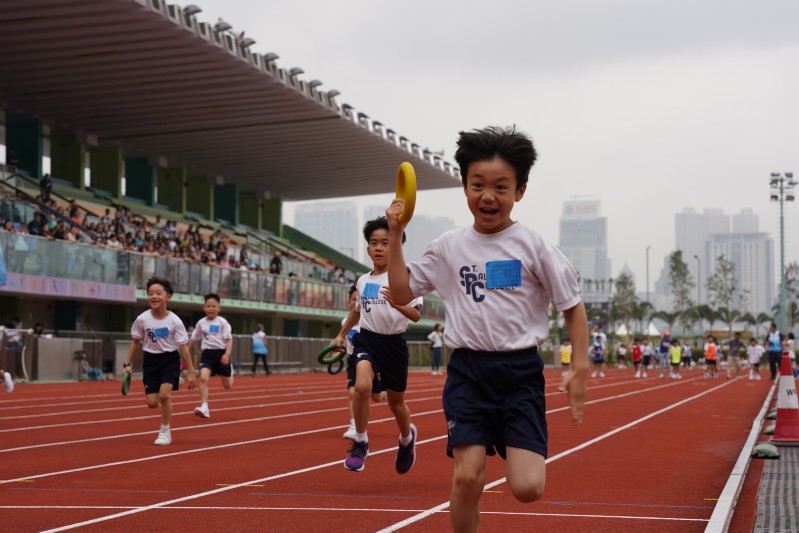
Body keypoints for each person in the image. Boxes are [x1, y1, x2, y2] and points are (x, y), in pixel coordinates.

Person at [385, 126, 588, 532]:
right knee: (467, 477)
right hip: (469, 375)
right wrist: (394, 233)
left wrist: (579, 365)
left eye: (500, 186)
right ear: (464, 187)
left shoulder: (534, 246)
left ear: (520, 191)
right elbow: (402, 289)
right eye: (478, 184)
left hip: (520, 376)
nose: (488, 196)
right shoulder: (447, 247)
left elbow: (572, 306)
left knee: (528, 487)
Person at [332, 215, 423, 473]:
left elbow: (416, 315)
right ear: (368, 247)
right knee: (361, 386)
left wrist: (398, 304)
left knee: (396, 404)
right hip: (367, 340)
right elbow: (357, 312)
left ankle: (406, 439)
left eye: (387, 242)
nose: (380, 248)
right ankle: (360, 442)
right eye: (375, 243)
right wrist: (340, 335)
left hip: (394, 345)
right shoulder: (363, 281)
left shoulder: (405, 277)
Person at [123, 277, 196, 445]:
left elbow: (183, 347)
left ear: (168, 297)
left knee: (164, 395)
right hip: (150, 361)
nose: (154, 296)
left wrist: (191, 371)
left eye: (158, 293)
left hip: (170, 359)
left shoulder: (175, 321)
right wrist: (127, 365)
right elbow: (135, 342)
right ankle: (171, 382)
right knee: (152, 403)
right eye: (150, 293)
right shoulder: (142, 319)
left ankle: (165, 431)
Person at [188, 293, 234, 419]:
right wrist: (186, 351)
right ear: (204, 308)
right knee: (203, 378)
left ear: (219, 308)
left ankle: (230, 369)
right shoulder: (201, 323)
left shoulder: (223, 322)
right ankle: (204, 407)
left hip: (221, 354)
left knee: (228, 385)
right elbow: (193, 339)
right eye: (208, 306)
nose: (211, 308)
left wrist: (227, 354)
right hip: (207, 354)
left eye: (214, 306)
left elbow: (229, 340)